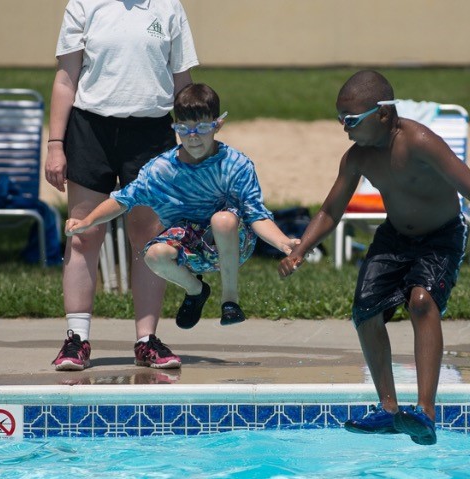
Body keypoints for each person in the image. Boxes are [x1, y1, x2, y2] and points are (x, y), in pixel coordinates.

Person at [278, 70, 470, 445]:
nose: (343, 127)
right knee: (365, 310)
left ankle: (425, 413)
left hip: (441, 237)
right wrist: (300, 249)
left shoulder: (420, 142)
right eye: (340, 119)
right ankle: (387, 409)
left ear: (383, 114)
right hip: (394, 237)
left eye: (351, 120)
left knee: (422, 301)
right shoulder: (358, 157)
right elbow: (330, 210)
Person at [66, 83, 299, 335]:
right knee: (152, 255)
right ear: (174, 128)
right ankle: (196, 290)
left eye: (202, 128)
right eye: (184, 129)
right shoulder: (161, 169)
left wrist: (284, 243)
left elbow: (256, 215)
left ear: (218, 125)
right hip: (189, 245)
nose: (193, 137)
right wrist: (88, 221)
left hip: (233, 242)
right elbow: (123, 200)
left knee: (222, 220)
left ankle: (229, 299)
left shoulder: (236, 165)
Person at [46, 0, 199, 371]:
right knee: (83, 233)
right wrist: (55, 145)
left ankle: (147, 340)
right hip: (90, 129)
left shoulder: (168, 8)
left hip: (150, 134)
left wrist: (195, 139)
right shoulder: (84, 5)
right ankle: (76, 339)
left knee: (149, 240)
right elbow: (67, 79)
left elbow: (183, 84)